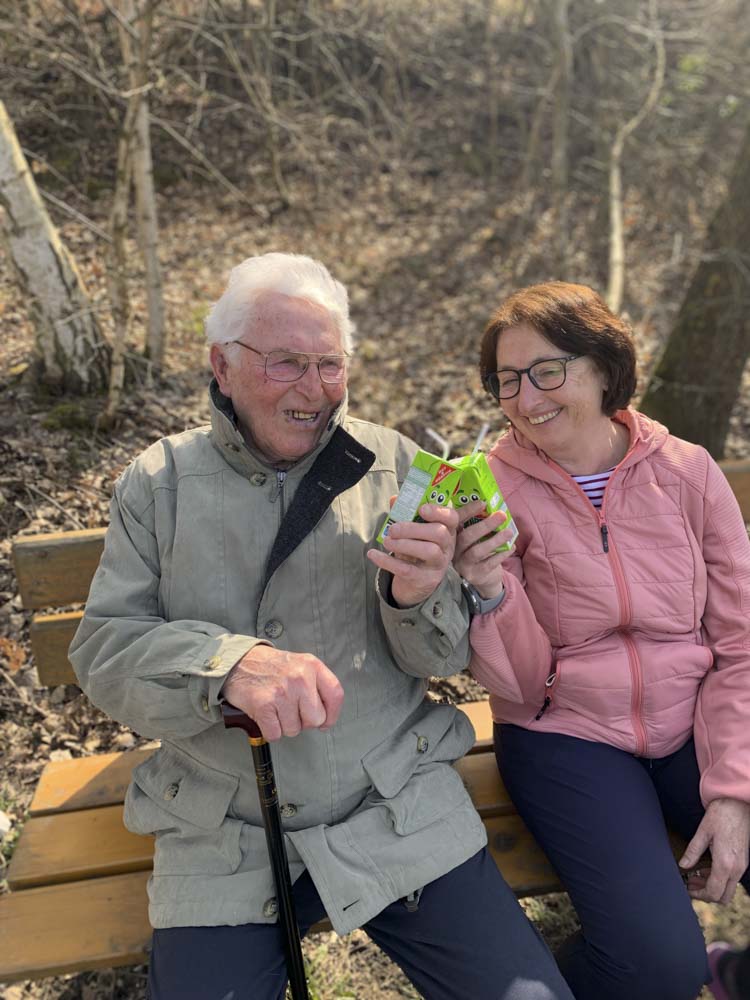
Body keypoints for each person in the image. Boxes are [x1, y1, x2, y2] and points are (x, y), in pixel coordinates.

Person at [69, 253, 575, 1000]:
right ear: (222, 366)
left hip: (393, 803)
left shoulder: (396, 465)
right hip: (226, 828)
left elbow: (439, 658)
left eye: (330, 364)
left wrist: (416, 596)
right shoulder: (159, 482)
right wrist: (227, 665)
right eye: (285, 363)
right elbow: (104, 651)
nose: (314, 388)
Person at [452, 280, 750, 1000]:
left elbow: (740, 643)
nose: (525, 398)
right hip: (568, 738)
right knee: (658, 967)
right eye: (506, 380)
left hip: (696, 722)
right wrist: (489, 588)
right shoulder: (484, 489)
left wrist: (735, 791)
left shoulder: (687, 472)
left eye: (546, 371)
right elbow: (518, 686)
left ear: (603, 366)